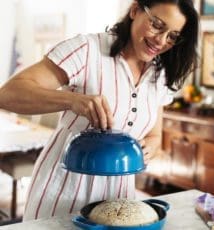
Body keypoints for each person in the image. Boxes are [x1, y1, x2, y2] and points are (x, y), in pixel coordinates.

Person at [0, 0, 199, 221]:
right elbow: (8, 95)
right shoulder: (87, 50)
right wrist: (72, 100)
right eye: (157, 25)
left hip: (118, 201)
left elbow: (154, 136)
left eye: (172, 36)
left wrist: (148, 149)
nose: (161, 41)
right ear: (135, 10)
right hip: (62, 189)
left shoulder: (159, 75)